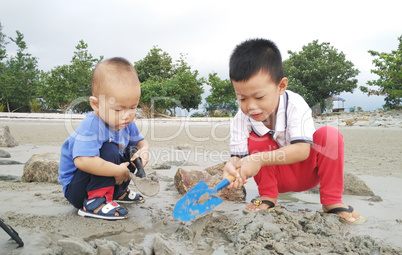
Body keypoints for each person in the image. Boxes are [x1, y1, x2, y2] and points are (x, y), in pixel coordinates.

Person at [223, 38, 363, 223]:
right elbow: (239, 160)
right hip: (275, 178)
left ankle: (331, 201)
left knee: (329, 135)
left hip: (307, 172)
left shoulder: (295, 105)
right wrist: (232, 169)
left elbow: (302, 150)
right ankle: (267, 196)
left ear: (281, 86)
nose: (251, 107)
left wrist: (257, 159)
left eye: (259, 97)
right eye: (242, 99)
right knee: (256, 138)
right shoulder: (241, 120)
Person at [58, 57, 149, 220]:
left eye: (133, 107)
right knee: (108, 149)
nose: (127, 115)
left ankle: (118, 192)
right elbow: (83, 161)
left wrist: (144, 151)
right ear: (96, 104)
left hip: (108, 178)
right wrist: (116, 170)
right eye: (118, 109)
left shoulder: (125, 123)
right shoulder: (92, 125)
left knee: (131, 151)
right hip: (79, 189)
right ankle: (95, 202)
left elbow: (141, 142)